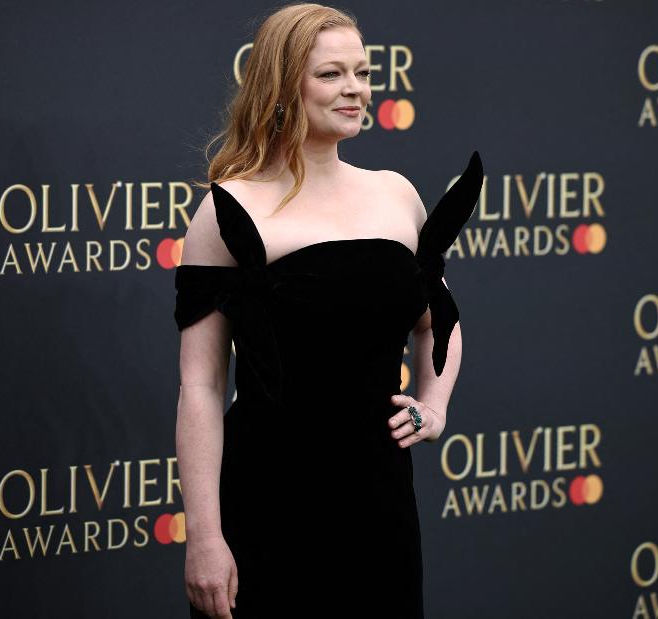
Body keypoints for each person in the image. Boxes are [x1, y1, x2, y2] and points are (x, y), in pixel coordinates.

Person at [173, 3, 483, 617]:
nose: (355, 91)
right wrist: (205, 536)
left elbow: (437, 323)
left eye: (363, 74)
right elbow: (201, 385)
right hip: (268, 495)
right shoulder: (230, 210)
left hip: (380, 496)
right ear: (284, 85)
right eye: (331, 75)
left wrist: (435, 404)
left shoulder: (396, 195)